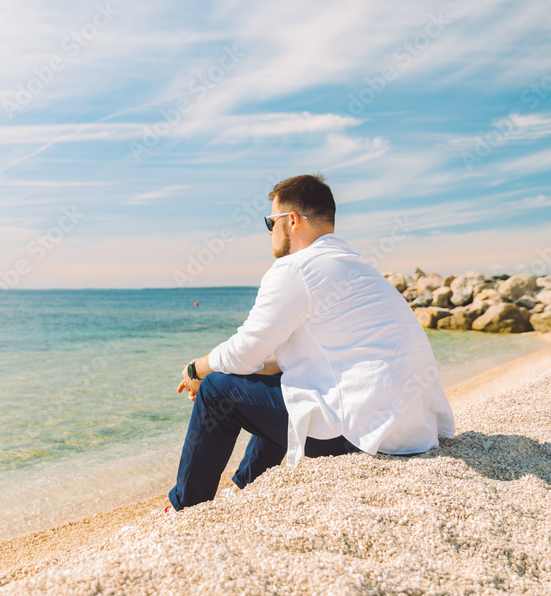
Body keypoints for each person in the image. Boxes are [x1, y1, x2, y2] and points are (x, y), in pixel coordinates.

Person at [167, 173, 455, 511]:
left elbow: (245, 351)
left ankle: (185, 506)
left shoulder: (296, 268)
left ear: (291, 220)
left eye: (269, 222)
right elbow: (274, 361)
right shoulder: (358, 267)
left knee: (216, 390)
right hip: (413, 430)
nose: (269, 232)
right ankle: (244, 484)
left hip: (364, 435)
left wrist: (195, 369)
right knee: (283, 380)